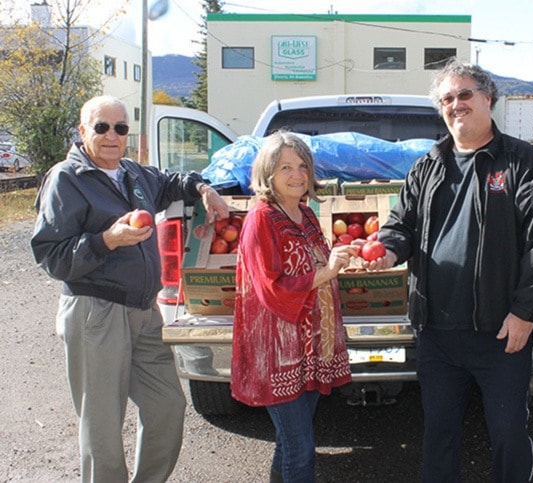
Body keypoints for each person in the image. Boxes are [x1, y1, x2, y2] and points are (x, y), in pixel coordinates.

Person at [365, 58, 533, 482]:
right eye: (448, 98)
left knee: (508, 433)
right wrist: (387, 249)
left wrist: (526, 313)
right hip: (437, 333)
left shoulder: (523, 163)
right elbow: (402, 226)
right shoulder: (428, 165)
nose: (457, 104)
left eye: (465, 94)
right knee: (439, 435)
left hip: (501, 333)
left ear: (488, 98)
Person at [31, 95, 230, 482]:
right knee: (102, 426)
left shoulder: (132, 174)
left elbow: (171, 181)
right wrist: (107, 239)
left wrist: (202, 187)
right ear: (82, 131)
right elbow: (51, 256)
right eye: (101, 127)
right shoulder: (67, 180)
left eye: (120, 128)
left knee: (167, 408)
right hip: (96, 312)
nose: (112, 136)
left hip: (144, 312)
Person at [230, 131, 355, 483]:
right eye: (285, 167)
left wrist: (340, 258)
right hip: (277, 351)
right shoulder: (261, 220)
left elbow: (317, 264)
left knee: (288, 444)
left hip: (309, 348)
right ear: (268, 173)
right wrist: (327, 272)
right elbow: (271, 289)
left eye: (302, 166)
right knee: (300, 448)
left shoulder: (305, 213)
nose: (297, 174)